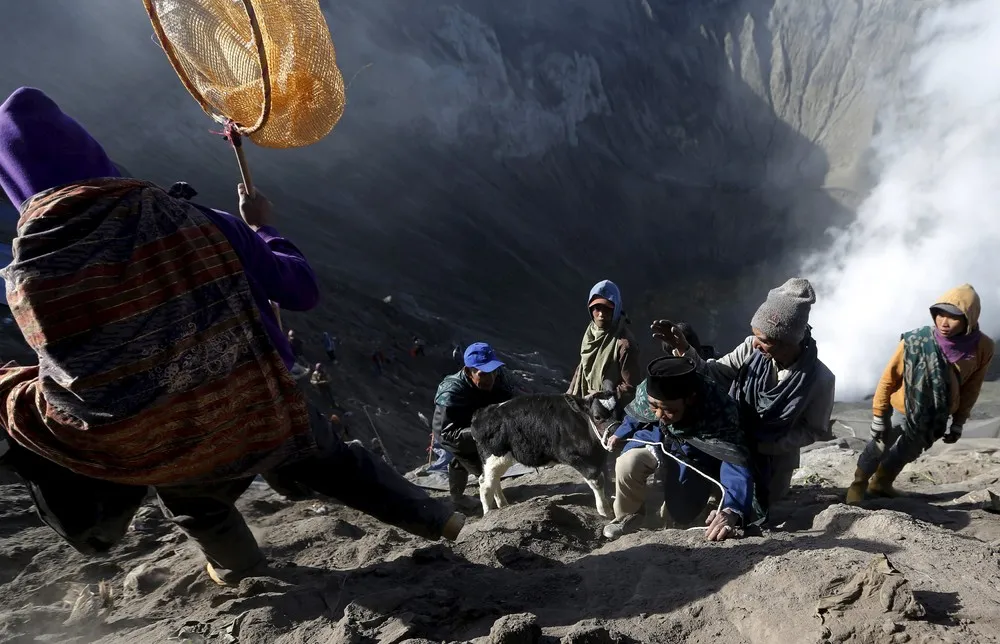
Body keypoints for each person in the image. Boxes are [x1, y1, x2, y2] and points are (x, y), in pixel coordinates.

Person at [0, 87, 464, 586]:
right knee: (331, 458)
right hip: (255, 401)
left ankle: (240, 569)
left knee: (196, 501)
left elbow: (73, 372)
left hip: (161, 437)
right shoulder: (196, 220)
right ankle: (437, 519)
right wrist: (264, 230)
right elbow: (299, 290)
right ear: (91, 153)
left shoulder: (29, 278)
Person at [654, 278, 835, 521]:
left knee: (761, 516)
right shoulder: (751, 348)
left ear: (787, 341)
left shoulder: (819, 380)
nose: (757, 343)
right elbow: (714, 374)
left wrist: (768, 444)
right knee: (716, 494)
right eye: (755, 335)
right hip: (731, 445)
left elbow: (813, 430)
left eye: (765, 340)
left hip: (774, 462)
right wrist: (686, 351)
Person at [847, 285, 995, 503]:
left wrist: (959, 422)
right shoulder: (915, 342)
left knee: (910, 450)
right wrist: (879, 415)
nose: (943, 322)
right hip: (903, 407)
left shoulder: (982, 347)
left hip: (936, 414)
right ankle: (858, 485)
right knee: (881, 443)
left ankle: (881, 483)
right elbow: (888, 378)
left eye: (953, 317)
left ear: (969, 319)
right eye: (940, 314)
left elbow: (972, 387)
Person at [603, 357, 753, 541]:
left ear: (690, 400)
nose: (659, 415)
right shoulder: (650, 391)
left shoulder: (718, 412)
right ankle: (627, 516)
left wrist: (732, 508)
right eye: (654, 406)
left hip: (695, 454)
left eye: (668, 409)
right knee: (627, 464)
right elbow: (640, 410)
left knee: (680, 513)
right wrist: (621, 432)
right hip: (656, 437)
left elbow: (734, 460)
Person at [432, 342, 515, 507]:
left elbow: (510, 404)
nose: (490, 378)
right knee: (484, 469)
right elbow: (447, 434)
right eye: (483, 374)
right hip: (455, 431)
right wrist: (484, 432)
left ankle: (460, 495)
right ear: (468, 371)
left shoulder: (499, 379)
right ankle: (465, 500)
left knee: (486, 461)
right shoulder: (451, 391)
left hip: (485, 423)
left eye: (493, 371)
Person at [567, 280, 640, 416]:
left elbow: (631, 388)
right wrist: (570, 393)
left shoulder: (624, 344)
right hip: (586, 402)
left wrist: (603, 397)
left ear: (616, 308)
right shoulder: (591, 332)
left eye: (607, 309)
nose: (601, 314)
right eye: (597, 308)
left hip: (609, 411)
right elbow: (583, 365)